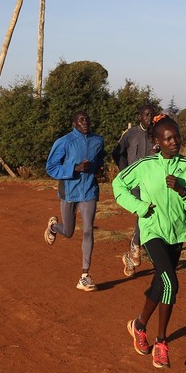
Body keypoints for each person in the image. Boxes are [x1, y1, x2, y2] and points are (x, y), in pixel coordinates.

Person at [112, 115, 186, 368]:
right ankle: (162, 342)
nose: (174, 141)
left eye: (176, 136)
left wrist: (183, 191)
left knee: (160, 283)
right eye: (168, 138)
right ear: (157, 141)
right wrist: (140, 207)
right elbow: (118, 185)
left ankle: (138, 325)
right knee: (170, 282)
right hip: (152, 231)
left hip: (176, 234)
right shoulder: (145, 166)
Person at [44, 111, 106, 292]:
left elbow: (100, 158)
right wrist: (75, 168)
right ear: (74, 123)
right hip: (69, 191)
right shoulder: (64, 142)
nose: (85, 122)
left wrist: (99, 169)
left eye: (87, 119)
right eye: (81, 120)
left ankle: (85, 276)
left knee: (88, 230)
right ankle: (53, 227)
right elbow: (51, 167)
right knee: (69, 231)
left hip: (89, 191)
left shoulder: (98, 140)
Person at [111, 104, 158, 277]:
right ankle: (136, 248)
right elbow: (117, 153)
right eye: (146, 115)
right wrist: (125, 172)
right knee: (143, 212)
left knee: (150, 215)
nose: (149, 118)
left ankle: (131, 256)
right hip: (136, 183)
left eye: (152, 115)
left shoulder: (157, 134)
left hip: (154, 183)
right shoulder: (130, 134)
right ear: (140, 117)